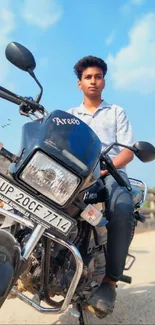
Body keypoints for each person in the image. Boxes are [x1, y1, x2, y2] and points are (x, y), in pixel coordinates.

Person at [67, 56, 135, 317]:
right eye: (88, 77)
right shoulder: (71, 116)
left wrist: (104, 169)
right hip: (78, 175)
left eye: (97, 76)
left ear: (103, 81)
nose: (93, 81)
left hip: (111, 173)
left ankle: (110, 280)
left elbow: (127, 152)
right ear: (79, 84)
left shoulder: (116, 112)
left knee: (122, 207)